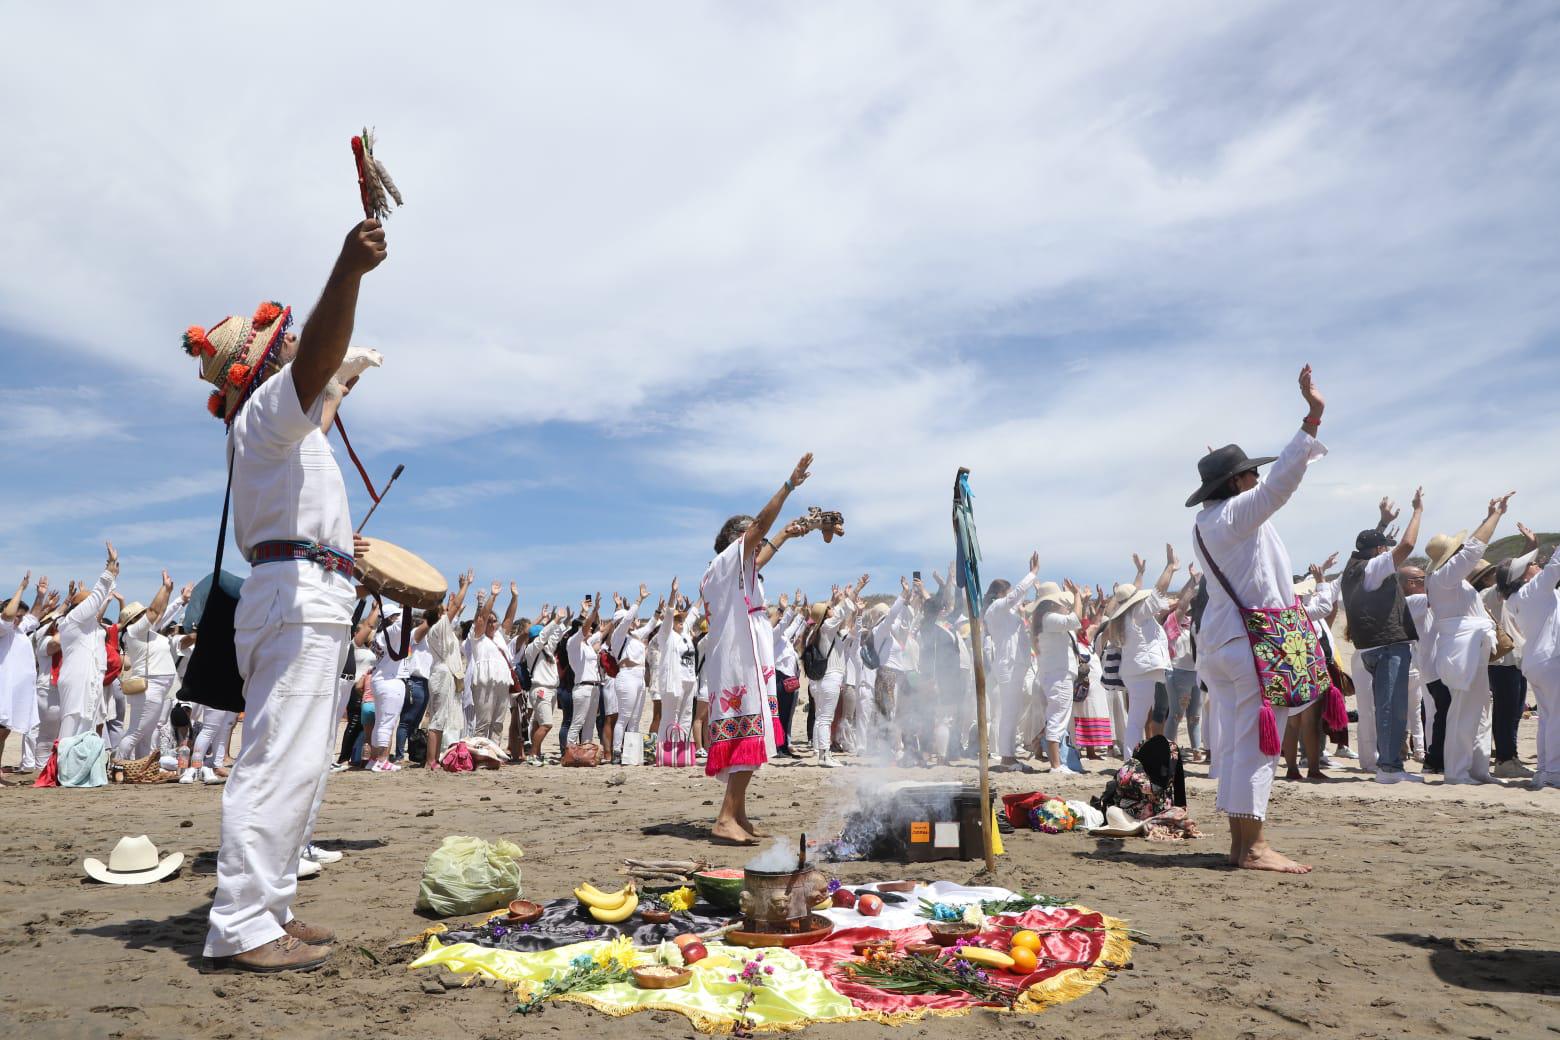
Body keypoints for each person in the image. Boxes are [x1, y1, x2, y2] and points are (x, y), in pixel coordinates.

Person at [196, 217, 387, 973]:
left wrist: (345, 378)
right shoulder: (272, 411)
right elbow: (315, 365)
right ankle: (243, 924)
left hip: (307, 592)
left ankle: (268, 907)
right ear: (271, 361)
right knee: (279, 760)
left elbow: (324, 389)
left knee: (302, 762)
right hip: (296, 599)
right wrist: (348, 270)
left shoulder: (282, 426)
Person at [1189, 364, 1327, 874]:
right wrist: (1310, 422)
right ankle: (1254, 847)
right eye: (1251, 473)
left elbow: (1267, 496)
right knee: (1255, 746)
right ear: (1237, 483)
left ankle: (1238, 843)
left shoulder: (1207, 522)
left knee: (1234, 743)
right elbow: (1278, 489)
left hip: (1222, 644)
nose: (1258, 478)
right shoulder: (1234, 516)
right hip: (1249, 645)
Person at [700, 453, 840, 844]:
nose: (760, 540)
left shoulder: (737, 570)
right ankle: (726, 817)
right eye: (754, 537)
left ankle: (738, 815)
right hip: (738, 660)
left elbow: (762, 549)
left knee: (755, 733)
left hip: (744, 656)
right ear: (736, 541)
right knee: (746, 731)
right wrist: (790, 486)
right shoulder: (727, 563)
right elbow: (760, 526)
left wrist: (786, 536)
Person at [1424, 492, 1515, 786]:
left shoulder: (1449, 579)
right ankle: (1457, 772)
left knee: (1478, 710)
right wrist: (1494, 516)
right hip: (1462, 651)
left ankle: (1476, 768)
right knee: (1464, 711)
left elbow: (1470, 552)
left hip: (1469, 648)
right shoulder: (1443, 577)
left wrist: (1488, 515)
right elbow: (1474, 550)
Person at [1341, 488, 1425, 784]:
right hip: (1389, 645)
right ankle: (1389, 767)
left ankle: (1387, 763)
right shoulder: (1375, 567)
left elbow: (1372, 546)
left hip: (1371, 648)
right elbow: (1409, 543)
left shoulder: (1352, 568)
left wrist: (1381, 522)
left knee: (1385, 705)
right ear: (1378, 551)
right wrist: (1417, 510)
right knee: (1393, 705)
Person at [115, 574, 189, 760]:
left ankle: (140, 767)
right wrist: (163, 588)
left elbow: (163, 613)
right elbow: (155, 611)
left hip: (157, 686)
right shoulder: (134, 632)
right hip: (150, 686)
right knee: (136, 732)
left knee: (145, 734)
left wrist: (178, 599)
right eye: (141, 615)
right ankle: (117, 765)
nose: (145, 617)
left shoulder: (146, 632)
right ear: (133, 620)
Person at [1508, 542, 1560, 788]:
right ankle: (1554, 772)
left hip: (1536, 660)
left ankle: (1544, 771)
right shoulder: (1534, 590)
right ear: (1523, 575)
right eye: (1531, 564)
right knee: (1555, 716)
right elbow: (1555, 568)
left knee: (1548, 718)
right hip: (1550, 659)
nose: (1537, 564)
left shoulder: (1519, 597)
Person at [56, 546, 119, 742]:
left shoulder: (92, 625)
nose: (94, 604)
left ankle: (80, 769)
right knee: (72, 726)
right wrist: (109, 570)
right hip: (77, 678)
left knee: (88, 728)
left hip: (92, 678)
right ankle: (63, 769)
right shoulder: (73, 620)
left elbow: (100, 598)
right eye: (89, 601)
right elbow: (97, 597)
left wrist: (113, 578)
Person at [985, 552, 1040, 772]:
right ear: (1000, 594)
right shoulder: (995, 609)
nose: (1013, 598)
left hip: (1015, 666)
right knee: (1009, 711)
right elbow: (1016, 594)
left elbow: (1017, 597)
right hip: (1007, 667)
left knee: (1014, 711)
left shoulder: (1008, 612)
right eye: (1007, 594)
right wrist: (1032, 573)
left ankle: (1009, 754)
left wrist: (1033, 580)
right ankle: (1006, 756)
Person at [1030, 580, 1084, 772]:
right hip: (1058, 675)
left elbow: (1073, 624)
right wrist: (1077, 595)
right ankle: (1055, 765)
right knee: (1057, 718)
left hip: (1055, 674)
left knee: (1056, 717)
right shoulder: (1049, 618)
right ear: (1052, 602)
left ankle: (1056, 762)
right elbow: (1075, 620)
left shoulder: (1045, 619)